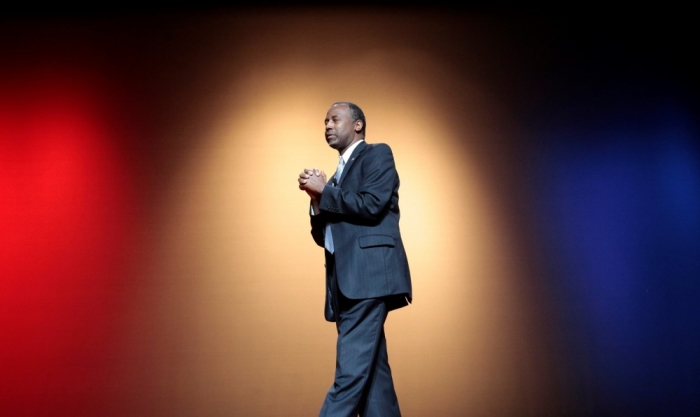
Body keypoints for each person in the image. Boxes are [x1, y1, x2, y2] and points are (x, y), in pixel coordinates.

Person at [298, 102, 412, 417]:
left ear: (358, 125)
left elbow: (373, 204)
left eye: (335, 119)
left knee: (349, 377)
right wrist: (318, 200)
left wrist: (326, 192)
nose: (328, 126)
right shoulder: (335, 179)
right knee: (376, 382)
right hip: (346, 286)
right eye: (324, 122)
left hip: (369, 280)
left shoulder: (377, 154)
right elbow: (324, 237)